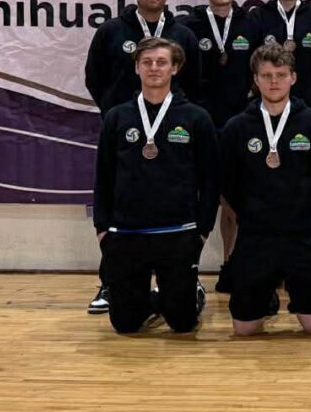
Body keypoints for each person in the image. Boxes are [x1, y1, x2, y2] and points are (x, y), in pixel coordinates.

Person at [84, 0, 201, 314]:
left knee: (175, 201)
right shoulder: (111, 31)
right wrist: (116, 115)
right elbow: (94, 77)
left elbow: (195, 82)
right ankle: (111, 280)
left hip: (173, 135)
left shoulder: (182, 34)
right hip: (127, 133)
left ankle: (185, 277)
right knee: (122, 206)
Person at [92, 37, 218, 334]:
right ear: (136, 67)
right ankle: (149, 299)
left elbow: (211, 179)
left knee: (183, 324)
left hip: (178, 232)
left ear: (175, 68)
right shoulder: (117, 117)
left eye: (162, 62)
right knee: (125, 324)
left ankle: (189, 294)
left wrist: (202, 230)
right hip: (126, 232)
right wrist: (102, 228)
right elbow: (104, 176)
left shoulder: (195, 117)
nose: (154, 68)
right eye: (147, 62)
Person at [219, 43, 311, 336]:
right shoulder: (237, 127)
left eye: (281, 75)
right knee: (244, 330)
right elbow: (228, 182)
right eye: (267, 75)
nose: (274, 82)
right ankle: (263, 297)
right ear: (255, 79)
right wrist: (252, 211)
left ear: (293, 78)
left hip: (303, 236)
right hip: (256, 237)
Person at [176, 0, 259, 293]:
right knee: (201, 197)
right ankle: (186, 266)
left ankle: (232, 264)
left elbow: (261, 71)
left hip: (241, 124)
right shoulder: (189, 25)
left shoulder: (249, 24)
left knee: (236, 200)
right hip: (203, 124)